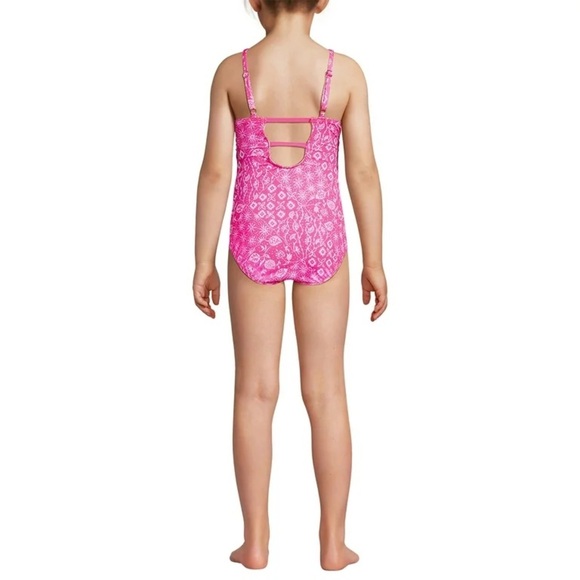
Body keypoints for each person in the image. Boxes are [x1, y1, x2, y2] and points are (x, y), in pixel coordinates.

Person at [192, 0, 388, 570]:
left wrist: (203, 258)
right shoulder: (344, 73)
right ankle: (333, 543)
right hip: (321, 233)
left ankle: (255, 543)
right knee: (327, 393)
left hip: (255, 232)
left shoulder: (233, 73)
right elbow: (363, 171)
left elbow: (215, 172)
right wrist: (374, 258)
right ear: (322, 0)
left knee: (255, 392)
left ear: (254, 0)